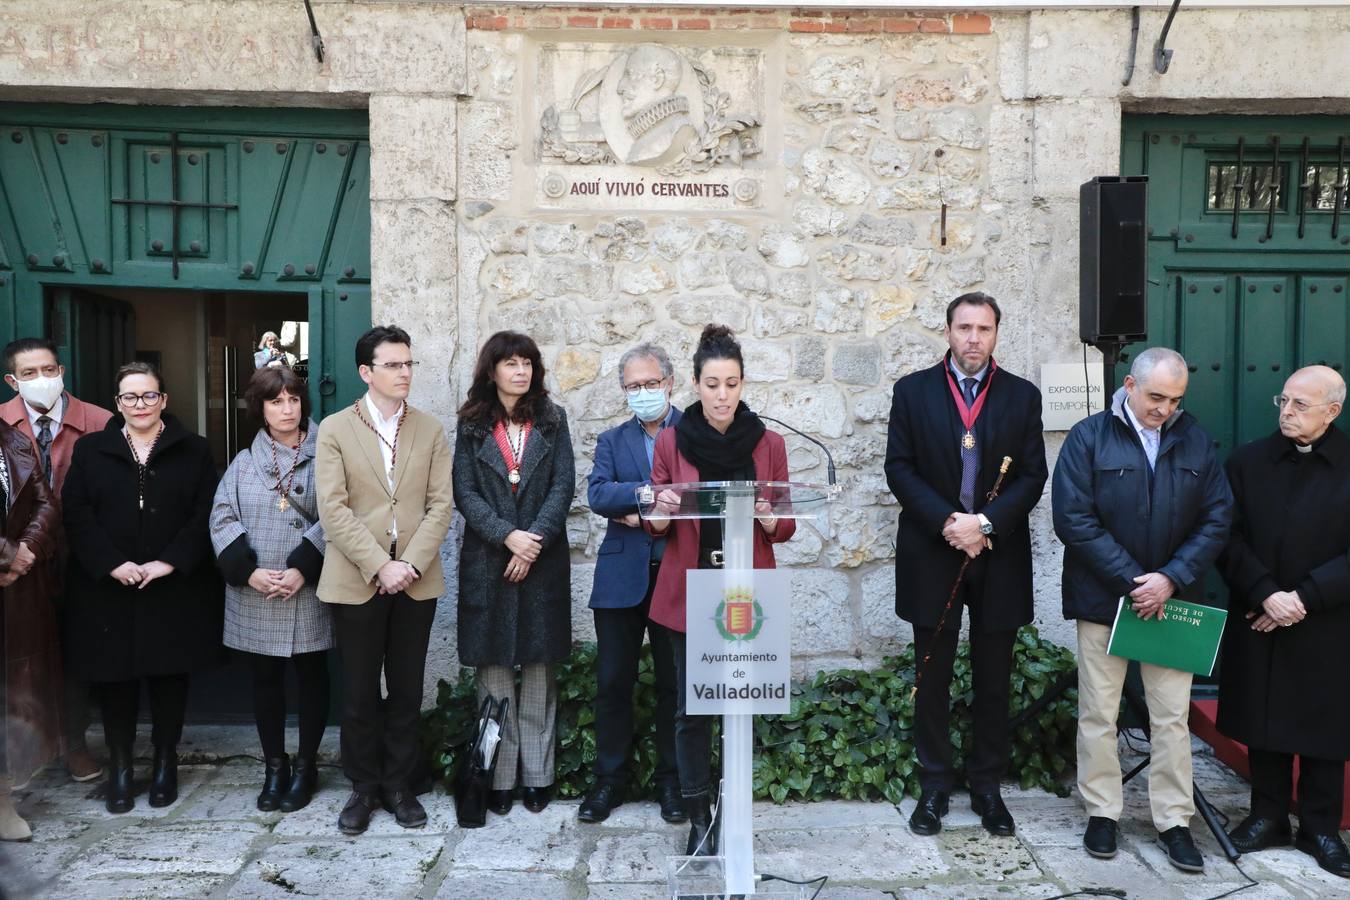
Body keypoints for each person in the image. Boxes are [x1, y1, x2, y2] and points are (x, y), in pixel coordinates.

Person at [1052, 346, 1232, 872]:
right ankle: (1102, 814)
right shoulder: (1089, 436)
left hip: (1170, 604)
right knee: (1099, 714)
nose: (1164, 409)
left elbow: (1217, 518)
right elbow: (1073, 518)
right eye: (1156, 397)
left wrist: (1171, 578)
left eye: (1175, 400)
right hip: (1105, 600)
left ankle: (1174, 821)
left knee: (1172, 718)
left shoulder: (1193, 438)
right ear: (1129, 385)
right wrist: (1136, 581)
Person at [884, 292, 1048, 839]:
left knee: (993, 676)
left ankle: (986, 784)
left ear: (997, 332)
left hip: (997, 554)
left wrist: (985, 525)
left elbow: (1031, 476)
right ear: (947, 332)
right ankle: (934, 783)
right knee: (932, 673)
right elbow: (899, 469)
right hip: (934, 550)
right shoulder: (913, 391)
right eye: (964, 328)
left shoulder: (1022, 396)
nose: (973, 338)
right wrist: (951, 523)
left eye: (984, 328)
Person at [645, 324, 796, 856]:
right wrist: (659, 514)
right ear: (694, 383)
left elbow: (785, 523)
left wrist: (768, 518)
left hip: (746, 595)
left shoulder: (769, 443)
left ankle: (735, 809)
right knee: (694, 708)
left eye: (732, 383)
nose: (722, 395)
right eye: (712, 384)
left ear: (743, 383)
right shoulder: (670, 440)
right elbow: (656, 523)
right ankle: (698, 814)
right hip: (690, 591)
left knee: (740, 702)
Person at [61, 362, 221, 814]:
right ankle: (121, 767)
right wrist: (112, 563)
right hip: (108, 589)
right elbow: (76, 511)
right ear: (118, 403)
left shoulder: (194, 449)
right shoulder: (92, 449)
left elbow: (205, 512)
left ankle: (167, 763)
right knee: (116, 682)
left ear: (164, 400)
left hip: (173, 587)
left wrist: (169, 561)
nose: (140, 405)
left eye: (149, 396)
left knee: (170, 678)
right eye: (130, 397)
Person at [315, 326, 453, 835]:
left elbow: (441, 505)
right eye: (394, 365)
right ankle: (362, 786)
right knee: (357, 690)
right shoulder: (334, 429)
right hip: (357, 578)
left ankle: (399, 785)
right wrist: (379, 565)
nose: (405, 374)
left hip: (415, 580)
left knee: (406, 688)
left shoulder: (431, 429)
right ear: (366, 372)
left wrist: (410, 564)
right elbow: (333, 509)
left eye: (409, 364)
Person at [1216, 365, 1350, 878]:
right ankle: (1266, 815)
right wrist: (1267, 593)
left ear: (1332, 412)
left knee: (1325, 723)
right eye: (1284, 400)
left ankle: (1321, 827)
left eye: (1301, 404)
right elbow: (1225, 536)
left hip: (1328, 619)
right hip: (1261, 610)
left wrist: (1304, 598)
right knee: (1263, 715)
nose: (1286, 412)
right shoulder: (1249, 462)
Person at [453, 331, 575, 817]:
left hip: (541, 563)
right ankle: (498, 778)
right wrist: (508, 537)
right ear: (492, 370)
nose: (520, 371)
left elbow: (563, 484)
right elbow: (465, 492)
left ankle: (538, 778)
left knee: (540, 674)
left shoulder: (553, 420)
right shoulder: (471, 426)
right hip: (490, 561)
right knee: (495, 675)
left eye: (527, 363)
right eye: (511, 363)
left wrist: (532, 542)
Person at [211, 366, 331, 813]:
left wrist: (304, 566)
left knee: (313, 675)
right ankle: (274, 766)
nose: (287, 409)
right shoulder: (244, 463)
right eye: (276, 401)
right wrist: (248, 572)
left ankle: (306, 766)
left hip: (310, 586)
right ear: (261, 408)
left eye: (293, 400)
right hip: (259, 589)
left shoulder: (330, 453)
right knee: (266, 680)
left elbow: (340, 513)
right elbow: (222, 518)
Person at [577, 343, 684, 825]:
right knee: (614, 682)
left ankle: (673, 783)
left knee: (675, 686)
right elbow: (598, 493)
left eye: (650, 383)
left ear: (670, 382)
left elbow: (699, 494)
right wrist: (648, 495)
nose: (643, 393)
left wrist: (632, 513)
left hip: (679, 575)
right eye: (633, 387)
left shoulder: (697, 432)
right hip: (621, 578)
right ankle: (609, 781)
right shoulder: (612, 441)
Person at [1, 337, 112, 785]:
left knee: (78, 651)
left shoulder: (101, 422)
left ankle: (75, 744)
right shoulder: (2, 425)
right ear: (12, 380)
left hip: (79, 553)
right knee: (23, 657)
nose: (41, 380)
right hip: (17, 563)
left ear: (62, 370)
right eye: (28, 374)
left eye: (48, 370)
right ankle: (22, 751)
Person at [0, 416, 62, 841]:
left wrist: (28, 549)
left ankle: (2, 800)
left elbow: (45, 501)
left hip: (15, 593)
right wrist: (5, 553)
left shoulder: (13, 439)